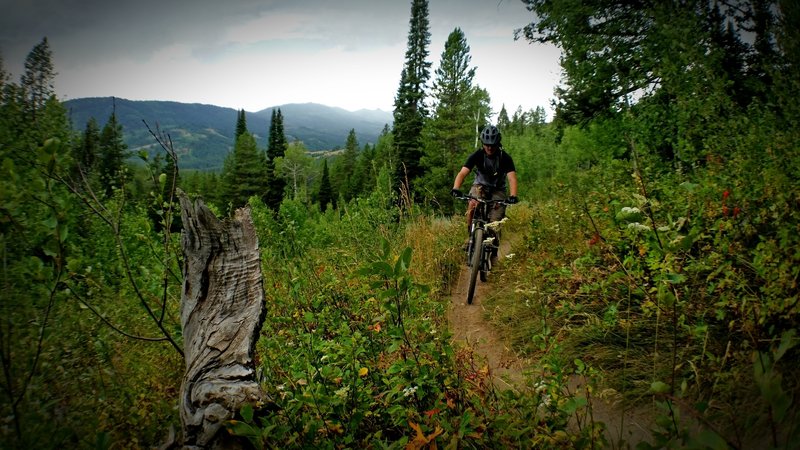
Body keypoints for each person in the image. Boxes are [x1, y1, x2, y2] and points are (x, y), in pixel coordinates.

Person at [451, 125, 518, 250]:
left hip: (498, 189)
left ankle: (493, 252)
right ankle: (470, 236)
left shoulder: (505, 158)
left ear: (498, 143)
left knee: (495, 222)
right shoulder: (477, 155)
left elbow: (512, 178)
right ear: (483, 143)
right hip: (480, 186)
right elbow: (463, 173)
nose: (490, 147)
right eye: (487, 144)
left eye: (493, 145)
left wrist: (513, 196)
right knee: (472, 205)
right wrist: (456, 188)